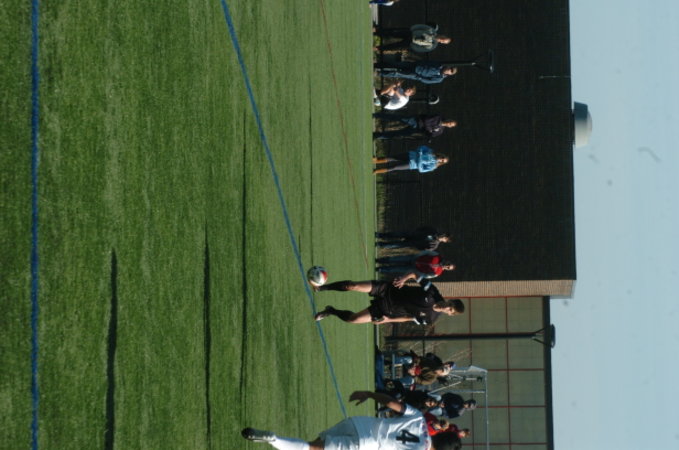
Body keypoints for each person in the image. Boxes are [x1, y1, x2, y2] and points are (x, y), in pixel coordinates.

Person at [241, 390, 462, 449]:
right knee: (312, 448)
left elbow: (392, 404)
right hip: (365, 445)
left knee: (317, 442)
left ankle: (275, 441)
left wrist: (369, 394)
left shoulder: (420, 418)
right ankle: (274, 439)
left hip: (360, 423)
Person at [313, 278, 465, 326]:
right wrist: (404, 279)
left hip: (388, 309)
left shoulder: (430, 319)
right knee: (352, 286)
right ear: (450, 300)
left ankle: (330, 311)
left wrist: (388, 320)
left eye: (450, 310)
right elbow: (415, 274)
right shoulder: (433, 291)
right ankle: (321, 287)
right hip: (388, 290)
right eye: (450, 305)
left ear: (450, 314)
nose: (448, 308)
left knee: (354, 319)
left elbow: (408, 318)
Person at [376, 251, 456, 285]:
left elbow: (425, 276)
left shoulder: (437, 273)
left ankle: (381, 269)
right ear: (448, 261)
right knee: (396, 259)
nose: (447, 266)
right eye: (448, 264)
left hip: (415, 269)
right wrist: (417, 256)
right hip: (414, 258)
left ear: (447, 269)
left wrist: (416, 272)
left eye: (448, 267)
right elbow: (427, 252)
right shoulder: (438, 256)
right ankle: (381, 260)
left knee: (396, 269)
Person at [373, 113, 458, 140]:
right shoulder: (438, 117)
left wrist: (429, 132)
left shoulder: (440, 131)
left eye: (450, 125)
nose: (449, 123)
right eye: (450, 122)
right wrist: (429, 129)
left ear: (450, 127)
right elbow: (426, 121)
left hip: (416, 130)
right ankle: (377, 115)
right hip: (415, 121)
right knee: (397, 118)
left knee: (397, 134)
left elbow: (430, 135)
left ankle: (377, 135)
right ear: (449, 119)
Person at [377, 24, 451, 53]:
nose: (442, 40)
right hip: (411, 33)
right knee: (393, 33)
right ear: (443, 35)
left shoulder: (433, 45)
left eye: (443, 41)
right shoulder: (432, 30)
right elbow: (422, 26)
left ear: (442, 43)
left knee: (394, 46)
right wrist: (412, 29)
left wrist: (413, 46)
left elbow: (421, 49)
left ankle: (377, 48)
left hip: (411, 43)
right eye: (444, 38)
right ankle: (377, 32)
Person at [373, 146, 448, 175]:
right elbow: (421, 148)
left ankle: (376, 171)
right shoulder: (431, 151)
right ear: (441, 155)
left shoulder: (433, 166)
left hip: (411, 165)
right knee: (392, 158)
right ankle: (375, 160)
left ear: (441, 163)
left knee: (394, 167)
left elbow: (421, 170)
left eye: (442, 161)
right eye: (442, 158)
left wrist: (419, 161)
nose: (441, 159)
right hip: (410, 155)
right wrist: (420, 152)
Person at [376, 61, 457, 84]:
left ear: (449, 74)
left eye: (451, 71)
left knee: (396, 73)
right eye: (450, 68)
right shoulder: (439, 64)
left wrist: (419, 78)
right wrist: (418, 63)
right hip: (415, 65)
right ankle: (376, 65)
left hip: (415, 74)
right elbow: (428, 62)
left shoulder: (439, 78)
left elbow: (428, 81)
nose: (449, 70)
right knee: (396, 64)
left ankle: (379, 73)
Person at [376, 227, 451, 251]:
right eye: (445, 235)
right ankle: (380, 235)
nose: (443, 237)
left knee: (396, 244)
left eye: (445, 238)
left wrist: (416, 245)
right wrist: (416, 232)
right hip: (412, 234)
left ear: (445, 241)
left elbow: (423, 249)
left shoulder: (434, 245)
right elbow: (423, 228)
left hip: (412, 243)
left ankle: (380, 244)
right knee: (396, 234)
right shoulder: (434, 230)